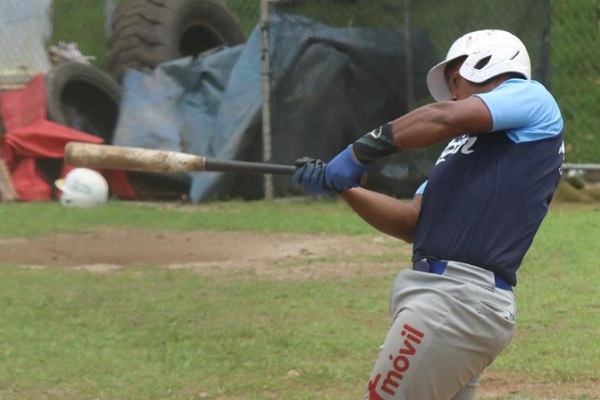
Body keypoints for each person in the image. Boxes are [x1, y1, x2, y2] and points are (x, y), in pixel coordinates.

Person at [292, 29, 564, 400]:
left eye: (456, 81)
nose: (453, 95)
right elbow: (412, 222)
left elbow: (444, 116)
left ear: (489, 63)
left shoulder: (532, 97)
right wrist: (344, 187)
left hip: (457, 299)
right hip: (444, 297)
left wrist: (358, 152)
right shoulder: (464, 145)